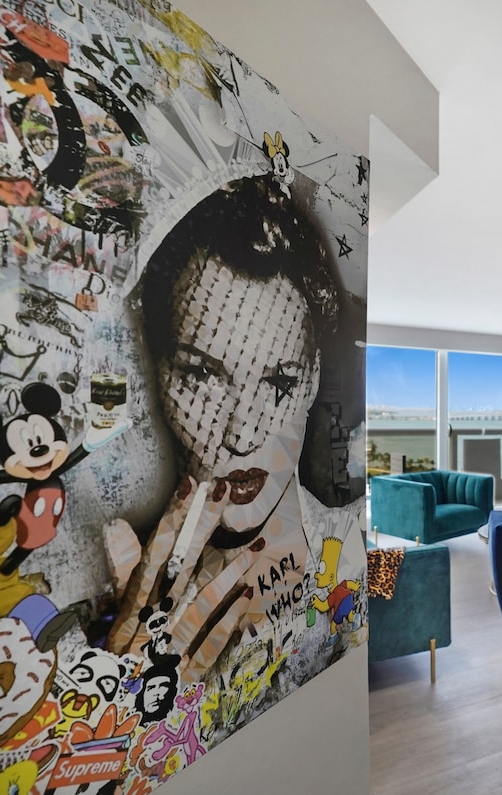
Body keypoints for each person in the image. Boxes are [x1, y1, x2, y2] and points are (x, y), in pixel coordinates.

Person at [103, 174, 360, 689]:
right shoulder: (115, 587)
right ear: (156, 370)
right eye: (201, 374)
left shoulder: (355, 544)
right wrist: (123, 698)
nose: (242, 436)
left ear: (312, 380)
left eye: (280, 382)